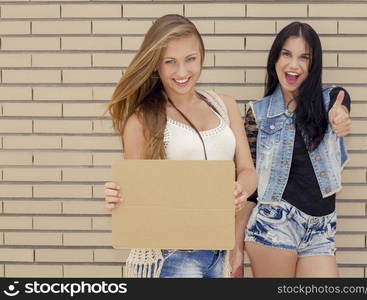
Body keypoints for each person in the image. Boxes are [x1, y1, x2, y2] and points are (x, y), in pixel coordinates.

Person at [103, 14, 257, 278]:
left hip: (219, 253)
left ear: (201, 57)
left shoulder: (224, 105)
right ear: (156, 66)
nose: (182, 72)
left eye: (190, 59)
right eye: (170, 62)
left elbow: (248, 171)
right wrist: (120, 196)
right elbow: (138, 195)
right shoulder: (142, 120)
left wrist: (239, 189)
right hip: (170, 257)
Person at [244, 21, 352, 277]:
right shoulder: (257, 113)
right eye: (287, 54)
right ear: (275, 59)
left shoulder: (331, 100)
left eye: (304, 57)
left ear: (313, 65)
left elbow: (341, 107)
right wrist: (236, 248)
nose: (294, 65)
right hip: (273, 223)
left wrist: (341, 117)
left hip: (321, 228)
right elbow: (250, 184)